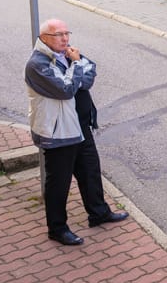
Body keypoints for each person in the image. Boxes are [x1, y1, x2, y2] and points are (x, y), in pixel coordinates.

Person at [26, 19, 128, 246]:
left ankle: (99, 213)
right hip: (59, 131)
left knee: (90, 171)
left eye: (66, 33)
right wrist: (77, 67)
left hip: (81, 126)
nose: (65, 39)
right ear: (44, 38)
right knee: (59, 183)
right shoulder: (37, 64)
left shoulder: (68, 54)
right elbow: (65, 89)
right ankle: (57, 228)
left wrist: (77, 69)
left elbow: (90, 72)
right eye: (58, 35)